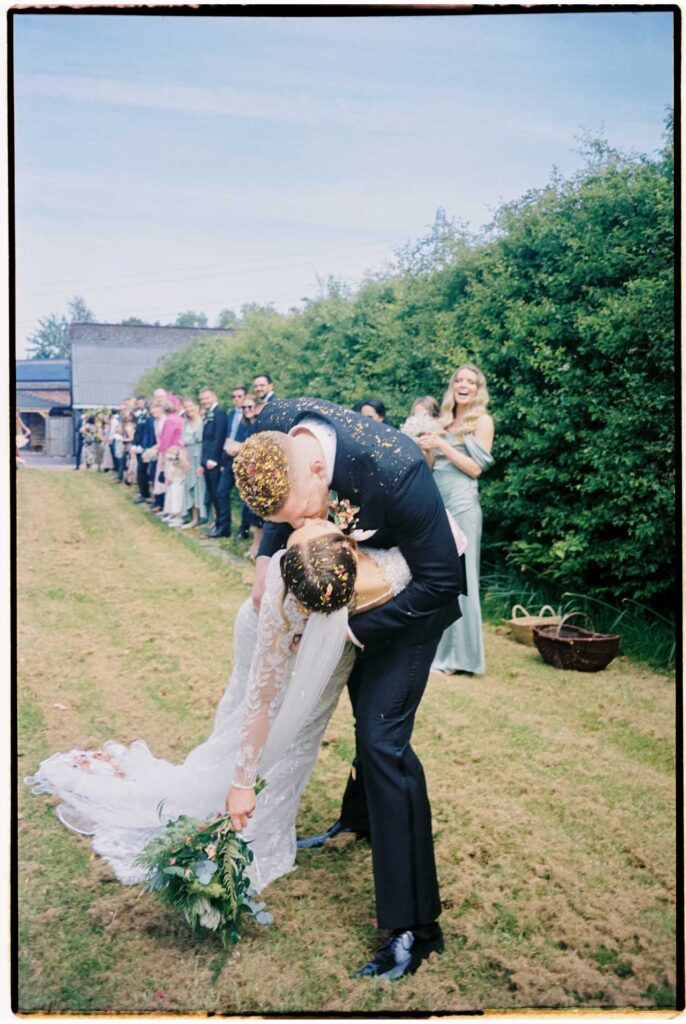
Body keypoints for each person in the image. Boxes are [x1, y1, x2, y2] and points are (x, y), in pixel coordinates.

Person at [25, 517, 440, 906]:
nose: (306, 521)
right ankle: (238, 791)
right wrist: (242, 782)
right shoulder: (285, 594)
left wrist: (343, 631)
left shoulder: (386, 573)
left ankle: (271, 819)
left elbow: (442, 558)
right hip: (267, 638)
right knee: (251, 713)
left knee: (300, 738)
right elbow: (260, 700)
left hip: (325, 659)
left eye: (303, 531)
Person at [234, 400, 466, 980]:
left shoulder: (398, 470)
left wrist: (350, 632)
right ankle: (359, 820)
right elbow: (275, 495)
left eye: (301, 514)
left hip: (414, 597)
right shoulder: (279, 424)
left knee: (382, 740)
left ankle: (416, 926)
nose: (299, 527)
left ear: (319, 472)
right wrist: (266, 555)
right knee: (363, 718)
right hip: (350, 586)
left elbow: (443, 581)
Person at [417, 364, 494, 676]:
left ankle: (465, 658)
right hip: (440, 503)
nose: (464, 385)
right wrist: (426, 447)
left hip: (463, 505)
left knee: (463, 578)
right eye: (459, 380)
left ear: (478, 389)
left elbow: (476, 468)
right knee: (441, 576)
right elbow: (435, 464)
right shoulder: (445, 421)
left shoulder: (483, 421)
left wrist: (442, 444)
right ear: (453, 386)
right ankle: (440, 651)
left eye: (471, 381)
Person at [212, 385, 248, 538]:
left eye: (240, 396)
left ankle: (243, 530)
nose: (237, 399)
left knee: (245, 497)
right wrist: (222, 461)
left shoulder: (250, 414)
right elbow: (226, 436)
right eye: (234, 396)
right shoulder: (231, 413)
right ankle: (224, 527)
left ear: (245, 397)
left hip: (244, 459)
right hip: (228, 459)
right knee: (221, 492)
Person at [199, 387, 228, 537]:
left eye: (207, 398)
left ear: (214, 397)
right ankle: (217, 524)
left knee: (218, 494)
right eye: (202, 399)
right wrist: (202, 462)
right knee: (212, 494)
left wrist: (213, 459)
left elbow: (219, 437)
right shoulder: (209, 414)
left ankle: (223, 527)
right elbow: (206, 440)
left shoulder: (220, 413)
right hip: (207, 461)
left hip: (214, 462)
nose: (204, 401)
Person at [179, 397, 206, 530]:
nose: (188, 409)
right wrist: (183, 460)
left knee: (201, 487)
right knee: (190, 488)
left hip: (200, 457)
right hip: (189, 458)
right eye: (186, 407)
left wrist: (203, 463)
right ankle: (194, 518)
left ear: (196, 406)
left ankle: (205, 517)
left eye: (190, 406)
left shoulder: (203, 422)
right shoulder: (185, 424)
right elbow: (183, 445)